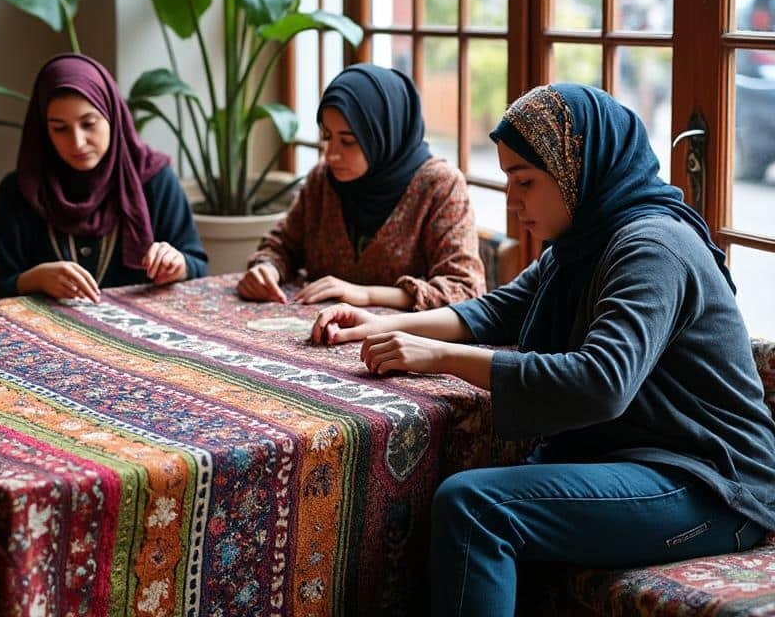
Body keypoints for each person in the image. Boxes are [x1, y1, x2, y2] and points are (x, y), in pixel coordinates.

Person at [309, 84, 775, 616]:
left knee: (476, 507)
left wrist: (437, 356)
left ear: (577, 170)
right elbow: (498, 309)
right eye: (509, 179)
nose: (513, 201)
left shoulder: (651, 248)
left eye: (525, 181)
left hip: (710, 486)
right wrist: (384, 322)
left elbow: (599, 383)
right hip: (644, 461)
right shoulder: (583, 243)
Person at [238, 63, 484, 309]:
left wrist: (367, 295)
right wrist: (267, 269)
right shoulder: (323, 180)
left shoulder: (439, 186)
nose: (331, 154)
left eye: (348, 141)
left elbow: (465, 290)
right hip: (315, 333)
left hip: (398, 342)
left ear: (383, 135)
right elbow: (281, 245)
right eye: (327, 137)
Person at [0, 53, 207, 301]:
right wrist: (35, 279)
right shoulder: (20, 190)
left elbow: (197, 264)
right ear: (43, 130)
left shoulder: (154, 180)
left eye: (89, 124)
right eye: (60, 128)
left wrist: (178, 264)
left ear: (112, 116)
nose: (77, 143)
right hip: (44, 336)